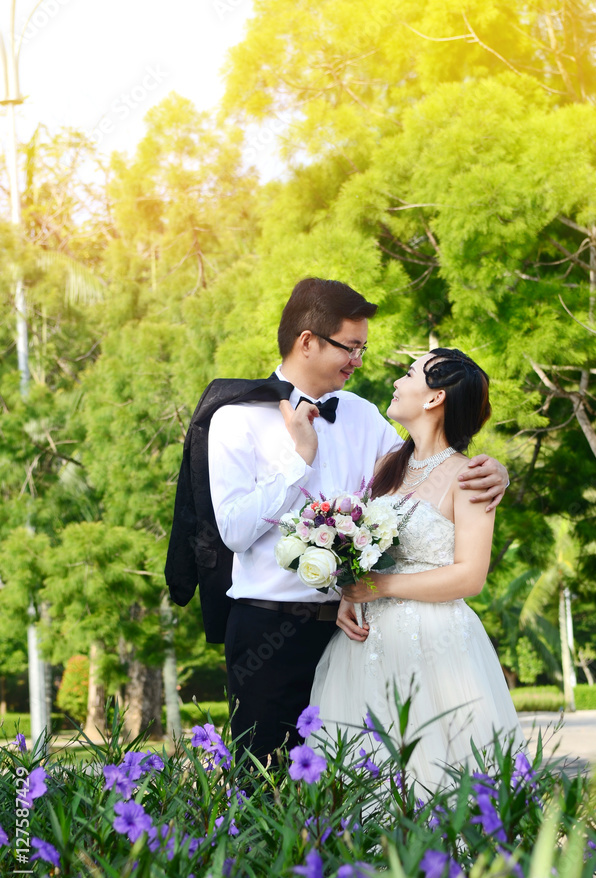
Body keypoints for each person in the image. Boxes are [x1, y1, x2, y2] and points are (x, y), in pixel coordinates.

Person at [173, 278, 509, 766]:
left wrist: (492, 469)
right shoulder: (236, 419)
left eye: (363, 348)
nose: (358, 360)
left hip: (354, 635)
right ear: (308, 341)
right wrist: (299, 462)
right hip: (268, 632)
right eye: (351, 347)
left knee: (347, 787)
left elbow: (421, 476)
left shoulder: (360, 413)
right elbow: (235, 532)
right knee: (262, 787)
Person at [308, 348, 526, 789]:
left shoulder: (471, 477)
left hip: (436, 645)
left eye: (408, 374)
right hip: (365, 644)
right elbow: (363, 548)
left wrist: (381, 585)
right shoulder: (386, 468)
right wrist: (350, 594)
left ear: (434, 399)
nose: (395, 382)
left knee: (436, 774)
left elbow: (470, 576)